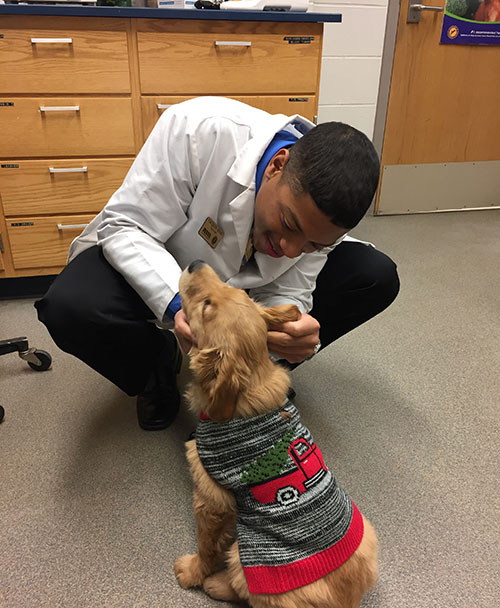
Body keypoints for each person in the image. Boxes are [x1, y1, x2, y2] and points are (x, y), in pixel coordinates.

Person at [35, 96, 399, 431]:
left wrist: (288, 331)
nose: (291, 250)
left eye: (315, 244)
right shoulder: (198, 129)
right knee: (70, 307)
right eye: (289, 224)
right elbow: (127, 226)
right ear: (277, 165)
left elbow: (291, 285)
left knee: (374, 275)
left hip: (241, 296)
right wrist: (182, 304)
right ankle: (154, 366)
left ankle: (254, 375)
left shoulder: (308, 231)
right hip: (168, 264)